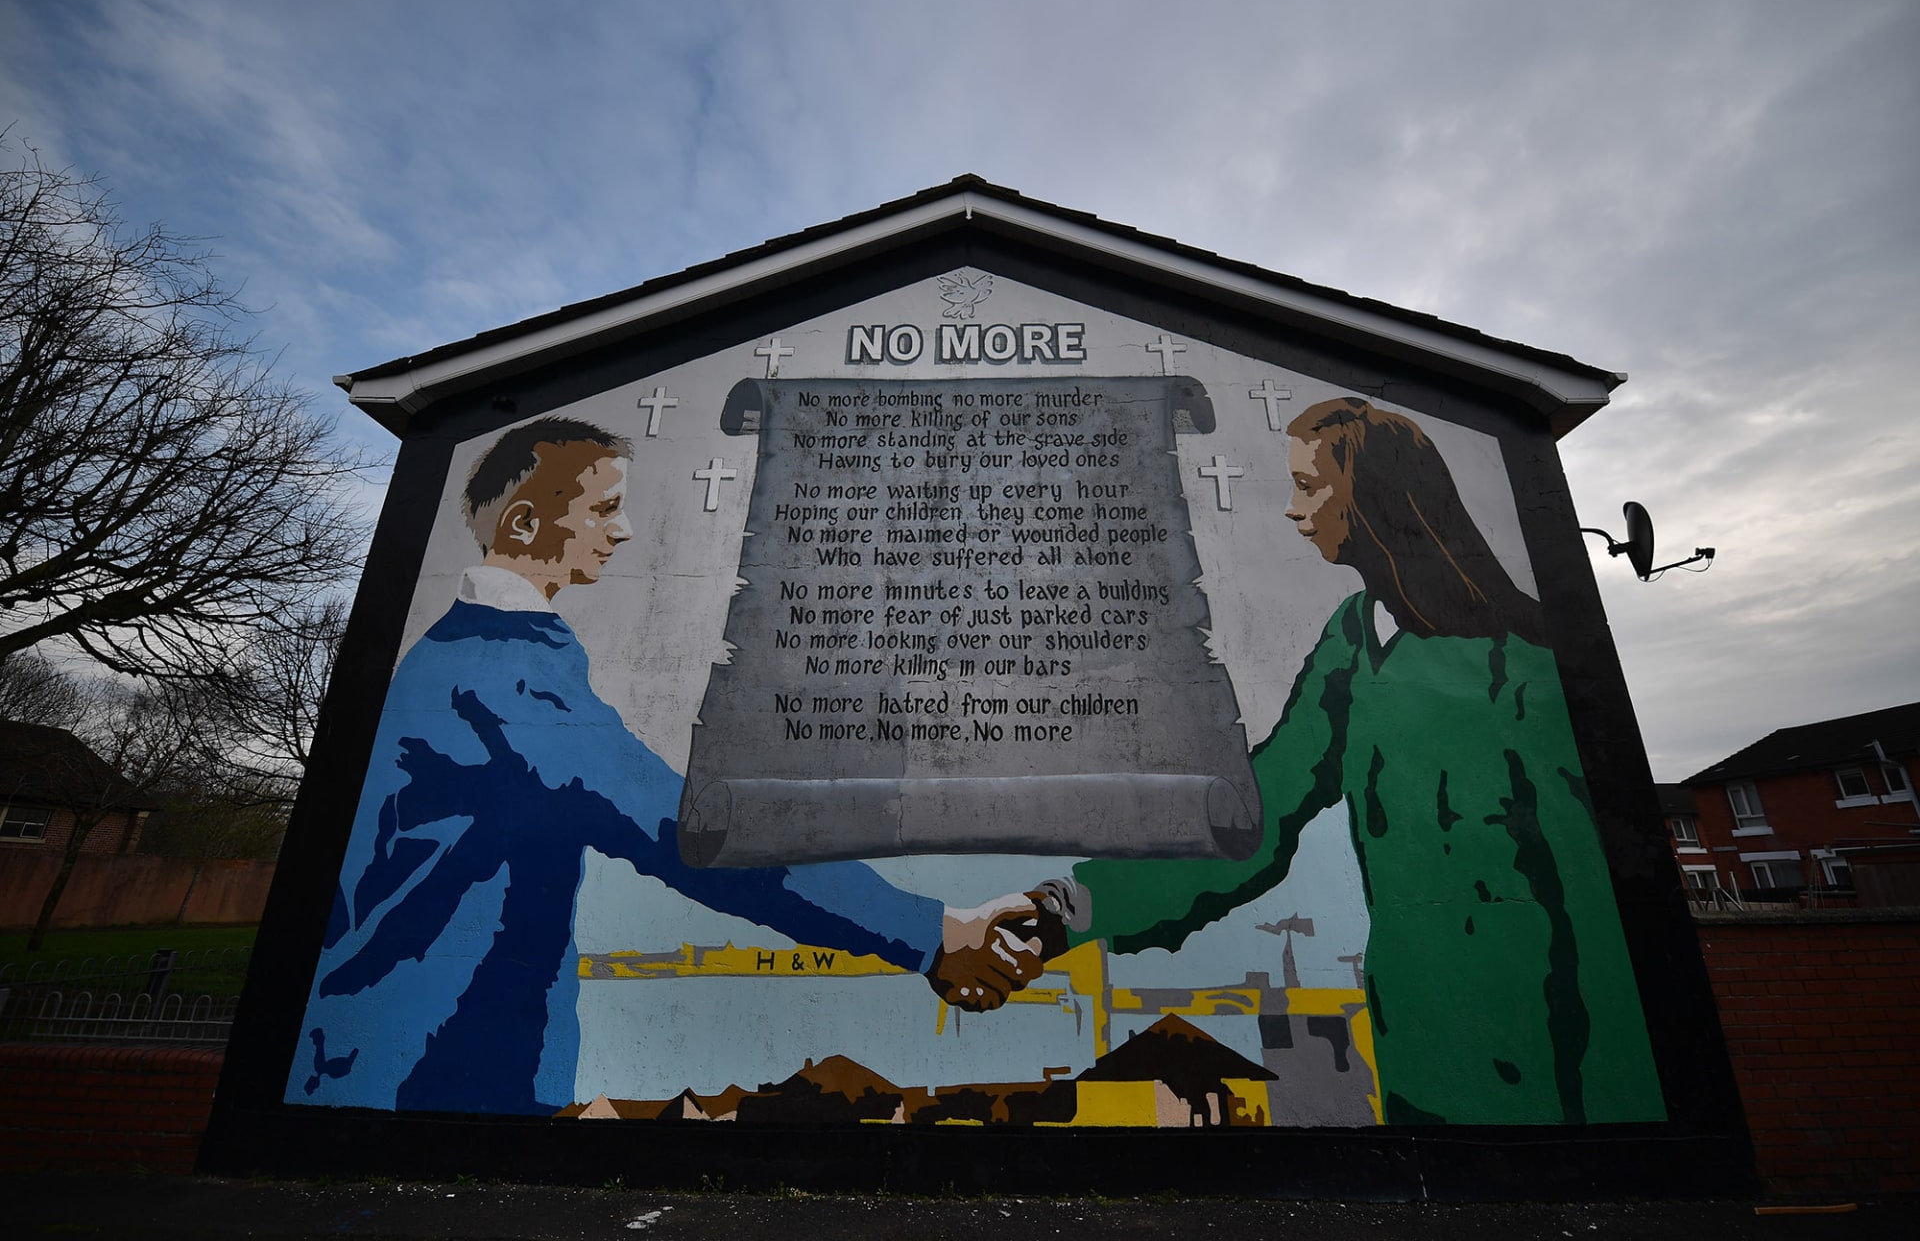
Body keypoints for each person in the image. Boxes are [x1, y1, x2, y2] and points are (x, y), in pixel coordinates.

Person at [288, 418, 1037, 1115]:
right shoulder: (503, 677)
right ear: (523, 523)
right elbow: (688, 835)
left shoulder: (466, 658)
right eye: (604, 509)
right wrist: (933, 933)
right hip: (430, 1074)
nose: (625, 529)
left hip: (408, 1061)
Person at [1029, 398, 1663, 1125]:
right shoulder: (1353, 639)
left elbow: (1593, 894)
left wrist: (1630, 1109)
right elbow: (1258, 813)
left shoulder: (1528, 664)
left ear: (1377, 495)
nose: (1295, 511)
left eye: (1309, 487)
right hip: (1421, 1059)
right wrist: (1069, 909)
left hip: (1558, 1078)